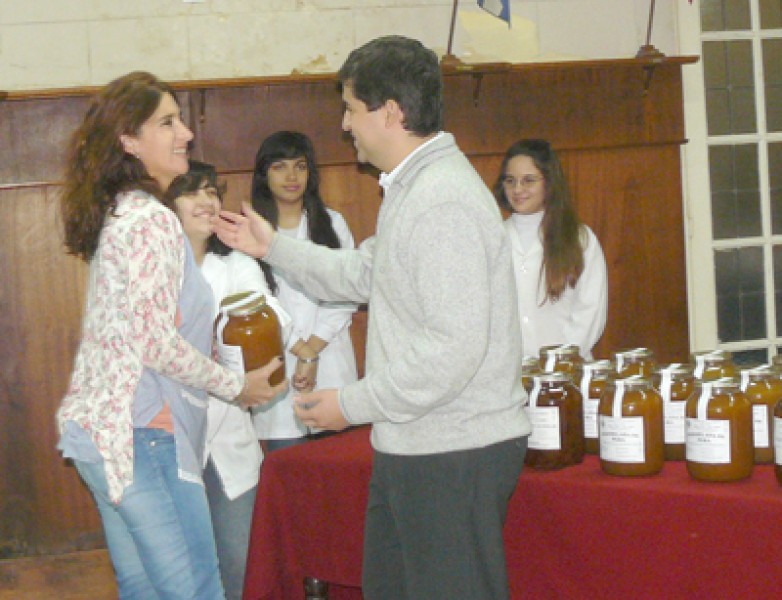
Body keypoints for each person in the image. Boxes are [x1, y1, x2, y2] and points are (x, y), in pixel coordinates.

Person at [215, 36, 531, 600]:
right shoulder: (416, 188)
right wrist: (273, 249)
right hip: (420, 441)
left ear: (390, 112)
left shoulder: (442, 199)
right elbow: (364, 273)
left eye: (350, 109)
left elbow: (453, 348)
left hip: (452, 450)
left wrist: (351, 404)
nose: (344, 125)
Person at [56, 71, 286, 600]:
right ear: (129, 141)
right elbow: (155, 343)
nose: (186, 133)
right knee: (196, 591)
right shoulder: (152, 220)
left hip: (102, 435)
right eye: (167, 123)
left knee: (144, 591)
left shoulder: (121, 212)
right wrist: (237, 386)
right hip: (143, 435)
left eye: (179, 120)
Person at [162, 160, 290, 599]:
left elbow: (274, 319)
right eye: (192, 192)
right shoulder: (153, 272)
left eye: (212, 192)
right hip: (171, 443)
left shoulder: (235, 264)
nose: (206, 201)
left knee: (241, 566)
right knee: (183, 574)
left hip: (230, 442)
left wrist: (248, 331)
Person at [250, 130, 359, 452]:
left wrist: (312, 348)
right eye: (280, 167)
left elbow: (347, 293)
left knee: (337, 470)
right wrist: (300, 351)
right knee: (288, 472)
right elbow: (258, 304)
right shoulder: (251, 232)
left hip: (331, 361)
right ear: (264, 175)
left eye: (300, 166)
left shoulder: (333, 224)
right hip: (278, 367)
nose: (291, 176)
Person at [494, 139, 608, 360]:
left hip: (567, 370)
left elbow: (590, 311)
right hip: (509, 372)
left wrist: (558, 363)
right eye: (510, 181)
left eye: (528, 180)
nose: (518, 190)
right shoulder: (493, 238)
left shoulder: (579, 238)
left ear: (549, 182)